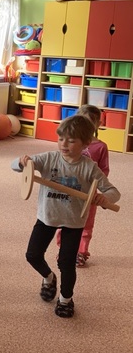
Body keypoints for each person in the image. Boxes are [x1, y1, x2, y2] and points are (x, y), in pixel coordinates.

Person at [11, 114, 120, 318]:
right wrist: (21, 162)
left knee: (66, 262)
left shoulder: (89, 167)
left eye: (71, 140)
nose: (64, 144)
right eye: (61, 138)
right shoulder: (49, 158)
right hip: (47, 216)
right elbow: (15, 166)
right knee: (32, 255)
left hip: (73, 221)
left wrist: (104, 198)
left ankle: (65, 299)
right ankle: (48, 277)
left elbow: (114, 192)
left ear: (85, 143)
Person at [56, 105, 109, 267]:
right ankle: (64, 249)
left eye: (91, 122)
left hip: (88, 193)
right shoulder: (67, 143)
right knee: (64, 220)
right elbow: (60, 162)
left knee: (86, 223)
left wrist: (96, 186)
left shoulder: (100, 147)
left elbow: (104, 171)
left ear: (98, 124)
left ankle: (81, 252)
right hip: (69, 190)